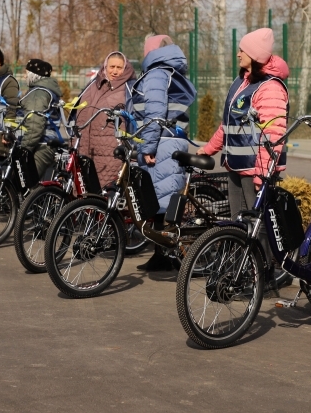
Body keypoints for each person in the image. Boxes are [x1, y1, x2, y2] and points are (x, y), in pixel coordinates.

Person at [197, 28, 289, 271]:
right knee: (238, 225)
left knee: (257, 226)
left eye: (242, 50)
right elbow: (228, 125)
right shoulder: (242, 81)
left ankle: (264, 274)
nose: (238, 54)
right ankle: (242, 271)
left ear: (255, 54)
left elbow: (273, 134)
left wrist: (262, 173)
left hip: (255, 169)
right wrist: (208, 149)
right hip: (236, 165)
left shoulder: (270, 87)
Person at [131, 34, 196, 271]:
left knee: (162, 202)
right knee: (160, 202)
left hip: (160, 145)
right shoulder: (166, 72)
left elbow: (154, 113)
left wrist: (147, 147)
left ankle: (169, 255)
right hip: (165, 142)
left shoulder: (157, 74)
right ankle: (162, 255)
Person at [72, 51, 136, 183]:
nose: (115, 71)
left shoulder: (129, 89)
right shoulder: (92, 85)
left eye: (119, 68)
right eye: (112, 67)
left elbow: (134, 122)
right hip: (84, 149)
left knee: (105, 196)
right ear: (105, 67)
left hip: (110, 156)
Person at [19, 59, 63, 179]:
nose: (24, 76)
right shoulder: (47, 91)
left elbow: (34, 126)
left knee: (25, 182)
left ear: (34, 75)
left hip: (40, 145)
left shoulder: (38, 94)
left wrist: (23, 150)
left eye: (26, 73)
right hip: (47, 144)